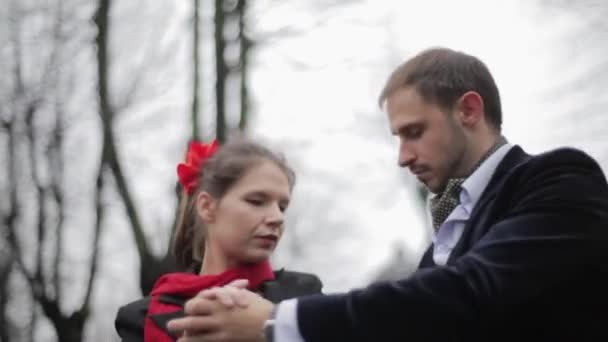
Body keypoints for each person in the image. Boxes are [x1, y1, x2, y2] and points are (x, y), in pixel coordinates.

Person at [165, 47, 608, 342]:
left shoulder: (561, 178)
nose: (402, 156)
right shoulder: (446, 236)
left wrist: (273, 321)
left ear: (469, 110)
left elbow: (470, 291)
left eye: (414, 133)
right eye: (397, 137)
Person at [114, 138, 323, 341]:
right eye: (257, 201)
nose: (277, 218)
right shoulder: (140, 318)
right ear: (207, 207)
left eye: (282, 207)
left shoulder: (304, 296)